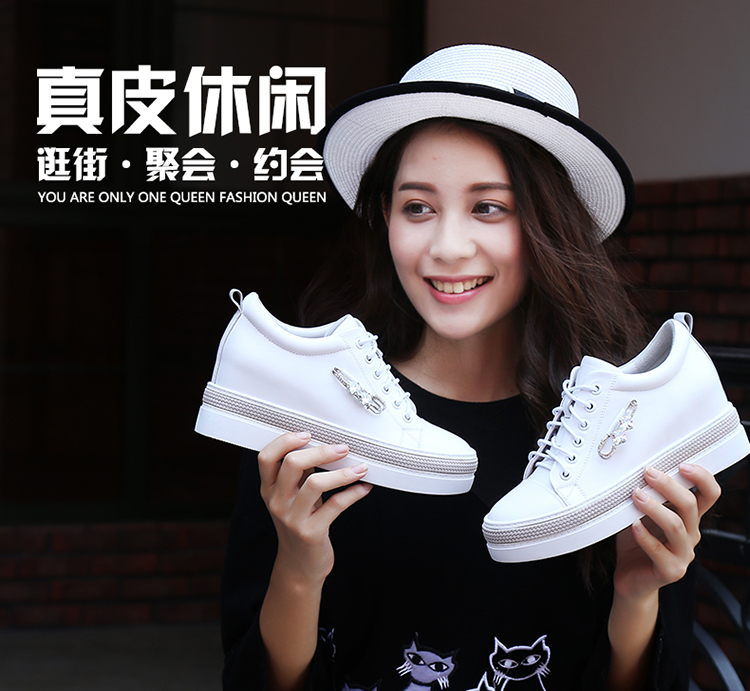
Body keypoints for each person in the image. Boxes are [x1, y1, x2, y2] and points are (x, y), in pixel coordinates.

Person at [220, 45, 721, 691]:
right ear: (385, 219)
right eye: (417, 207)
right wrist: (297, 567)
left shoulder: (619, 432)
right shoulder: (310, 417)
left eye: (489, 207)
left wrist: (637, 592)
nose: (447, 247)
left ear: (549, 225)